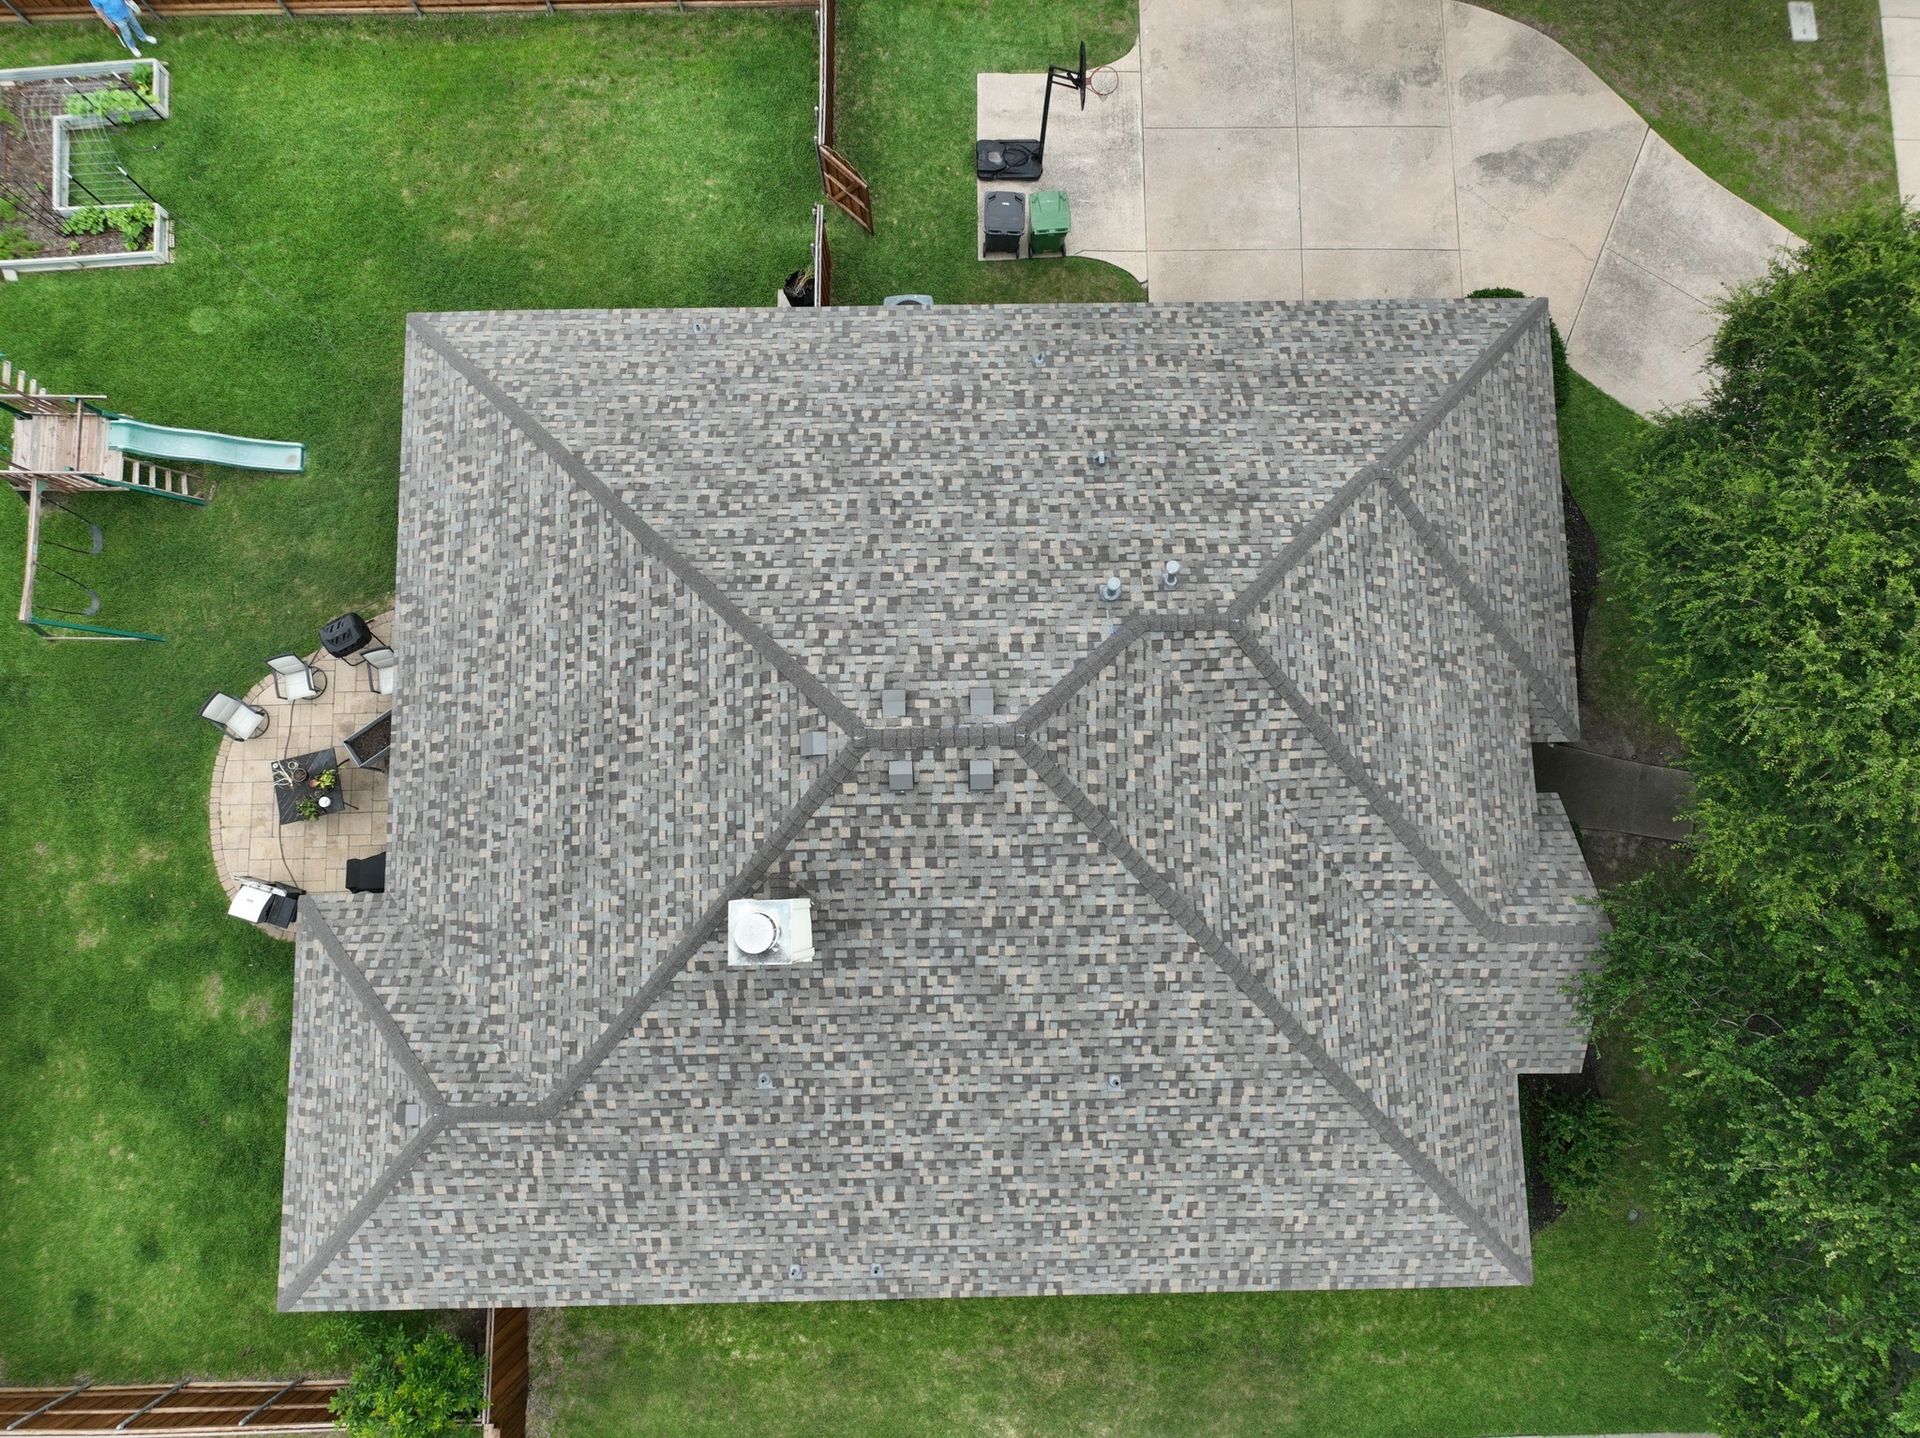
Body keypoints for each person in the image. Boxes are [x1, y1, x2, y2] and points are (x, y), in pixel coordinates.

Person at [89, 0, 156, 57]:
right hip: (116, 18)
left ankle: (143, 37)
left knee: (136, 26)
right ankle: (132, 47)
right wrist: (108, 23)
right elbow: (99, 12)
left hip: (127, 11)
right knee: (127, 34)